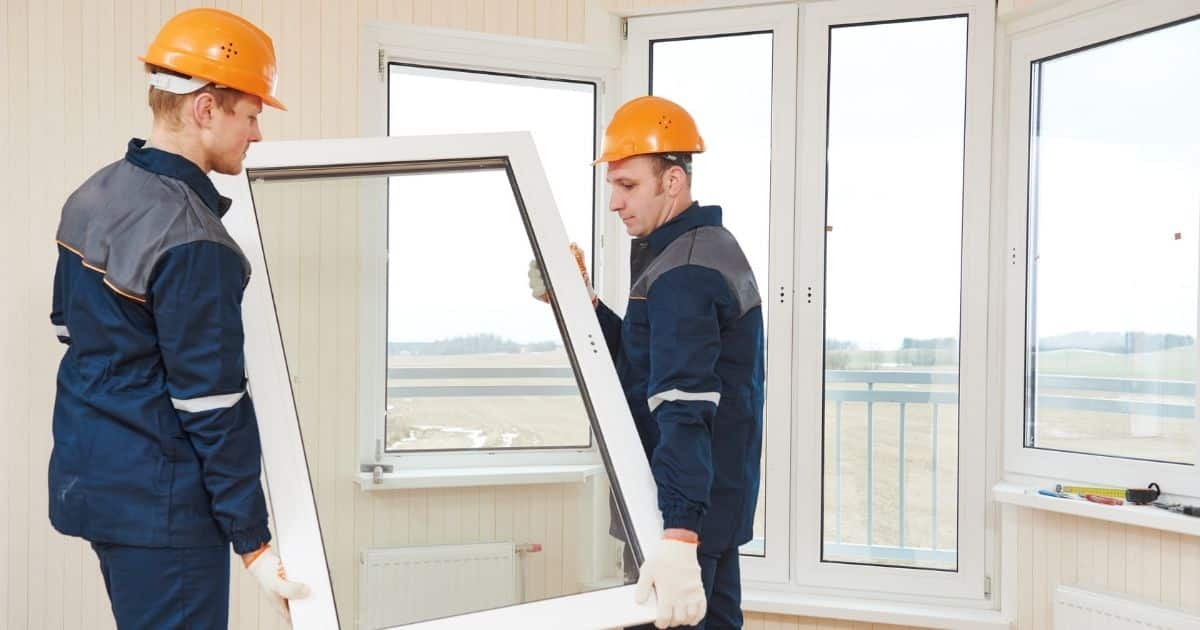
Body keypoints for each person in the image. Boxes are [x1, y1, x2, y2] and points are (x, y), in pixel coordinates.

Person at [48, 8, 307, 628]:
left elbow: (71, 327)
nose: (257, 134)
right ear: (205, 108)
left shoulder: (94, 194)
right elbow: (210, 403)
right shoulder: (194, 240)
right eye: (251, 114)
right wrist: (253, 541)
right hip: (163, 508)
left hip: (97, 486)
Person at [529, 95, 764, 629]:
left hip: (680, 513)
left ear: (673, 181)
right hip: (708, 503)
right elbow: (641, 364)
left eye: (627, 185)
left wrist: (679, 533)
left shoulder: (683, 272)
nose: (614, 201)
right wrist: (582, 301)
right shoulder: (696, 251)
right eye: (613, 184)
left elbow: (685, 404)